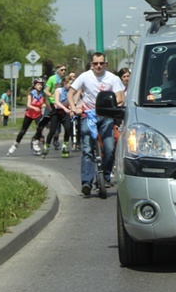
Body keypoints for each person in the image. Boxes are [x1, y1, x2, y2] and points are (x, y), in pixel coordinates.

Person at [68, 53, 125, 196]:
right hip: (88, 116)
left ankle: (105, 177)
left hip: (106, 116)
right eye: (95, 63)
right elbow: (71, 93)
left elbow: (120, 97)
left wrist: (114, 105)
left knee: (110, 148)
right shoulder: (85, 77)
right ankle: (86, 182)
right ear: (91, 64)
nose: (98, 66)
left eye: (101, 63)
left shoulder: (113, 78)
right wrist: (74, 107)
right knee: (87, 149)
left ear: (105, 64)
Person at [7, 78, 48, 156]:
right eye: (38, 85)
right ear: (35, 85)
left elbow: (46, 102)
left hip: (38, 114)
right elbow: (28, 104)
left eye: (41, 85)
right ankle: (15, 145)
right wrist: (34, 107)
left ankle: (35, 142)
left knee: (40, 127)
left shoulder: (43, 94)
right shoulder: (31, 94)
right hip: (29, 114)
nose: (40, 86)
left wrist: (51, 108)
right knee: (23, 131)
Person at [32, 63, 67, 151]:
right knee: (44, 121)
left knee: (58, 124)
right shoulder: (52, 79)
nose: (64, 71)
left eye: (65, 70)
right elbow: (46, 90)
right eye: (62, 70)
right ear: (57, 70)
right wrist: (52, 95)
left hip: (60, 104)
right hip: (51, 103)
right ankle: (38, 137)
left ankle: (55, 139)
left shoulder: (64, 79)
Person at [43, 77, 74, 158]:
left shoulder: (71, 92)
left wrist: (72, 109)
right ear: (65, 83)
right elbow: (56, 101)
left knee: (68, 128)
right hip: (56, 112)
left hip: (65, 112)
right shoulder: (58, 90)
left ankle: (65, 146)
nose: (71, 85)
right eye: (70, 83)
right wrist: (65, 108)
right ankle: (47, 145)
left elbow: (72, 101)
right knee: (52, 131)